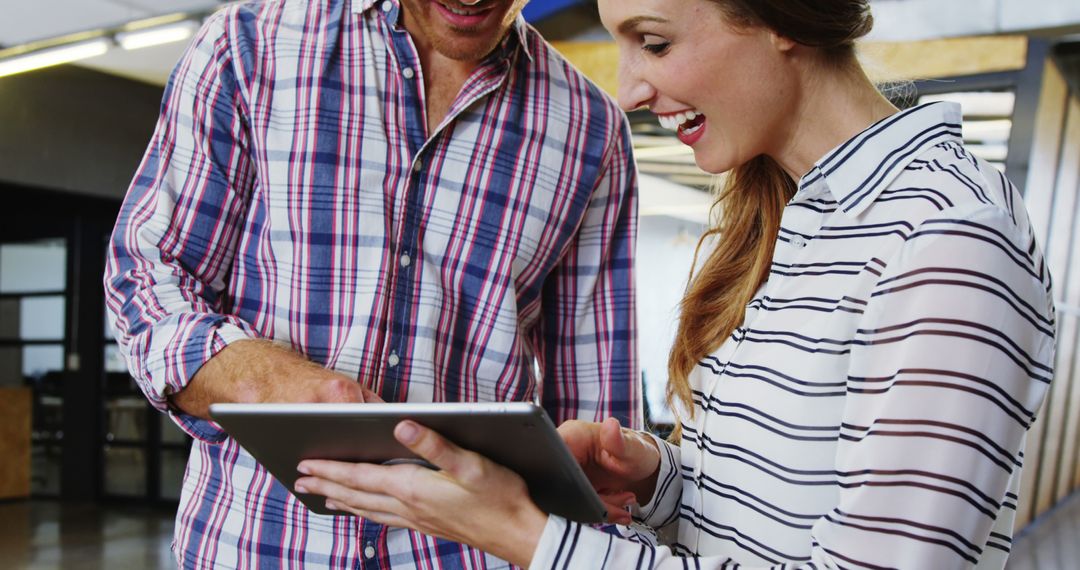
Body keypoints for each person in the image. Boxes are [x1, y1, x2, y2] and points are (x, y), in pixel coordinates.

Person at [292, 0, 1057, 568]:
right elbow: (775, 520)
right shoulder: (795, 218)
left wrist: (525, 535)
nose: (627, 91)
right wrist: (657, 477)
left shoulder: (947, 238)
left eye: (653, 42)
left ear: (779, 17)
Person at [103, 0, 641, 567]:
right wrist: (259, 378)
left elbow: (599, 428)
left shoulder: (592, 128)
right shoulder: (246, 44)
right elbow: (146, 276)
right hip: (253, 545)